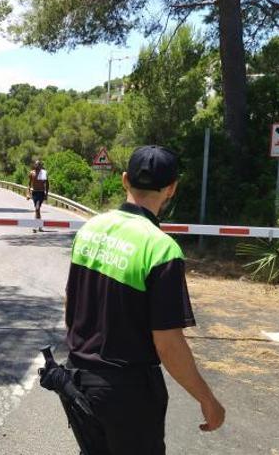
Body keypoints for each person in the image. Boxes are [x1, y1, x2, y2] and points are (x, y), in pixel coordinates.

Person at [63, 145, 225, 454]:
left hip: (77, 380)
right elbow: (168, 343)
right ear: (171, 189)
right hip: (128, 391)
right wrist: (207, 399)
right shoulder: (161, 249)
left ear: (125, 180)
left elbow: (71, 303)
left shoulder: (89, 229)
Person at [27, 160, 49, 232]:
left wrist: (46, 194)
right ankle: (40, 226)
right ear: (35, 165)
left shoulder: (43, 173)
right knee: (37, 209)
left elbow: (47, 184)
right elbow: (29, 184)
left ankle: (35, 226)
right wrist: (28, 193)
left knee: (37, 208)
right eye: (36, 164)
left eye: (39, 164)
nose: (38, 166)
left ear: (41, 165)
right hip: (34, 192)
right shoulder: (31, 173)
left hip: (41, 192)